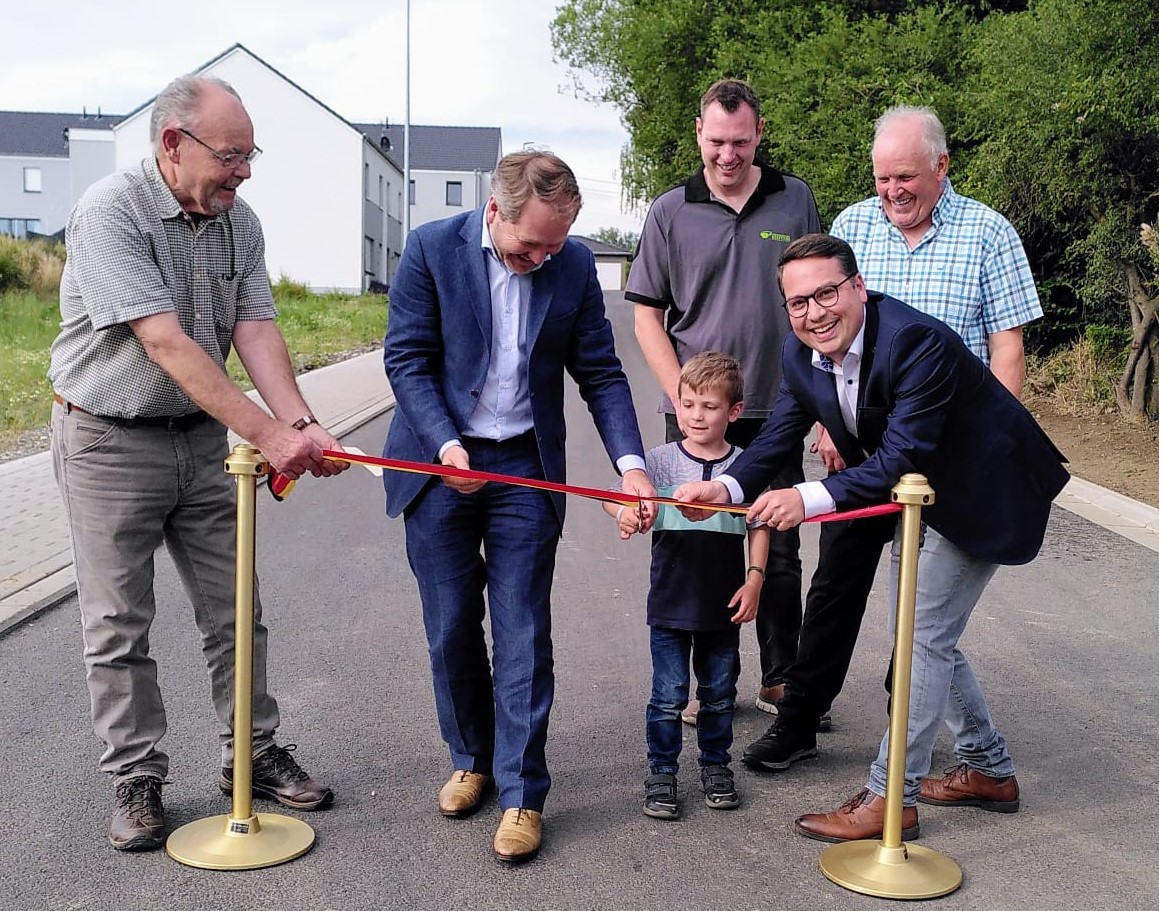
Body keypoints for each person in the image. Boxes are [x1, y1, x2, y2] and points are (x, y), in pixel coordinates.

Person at [675, 234, 1068, 842]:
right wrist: (724, 490)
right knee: (927, 635)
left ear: (858, 287)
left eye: (826, 293)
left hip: (985, 491)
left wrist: (801, 500)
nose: (814, 313)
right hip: (919, 492)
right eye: (798, 303)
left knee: (921, 640)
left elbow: (901, 455)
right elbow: (777, 438)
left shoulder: (915, 340)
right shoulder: (798, 353)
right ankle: (989, 770)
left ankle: (892, 799)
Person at [49, 75, 346, 852]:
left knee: (233, 609)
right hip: (108, 439)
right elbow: (167, 342)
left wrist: (303, 423)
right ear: (173, 144)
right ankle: (136, 774)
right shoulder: (109, 212)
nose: (243, 172)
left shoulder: (237, 223)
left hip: (203, 441)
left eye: (251, 156)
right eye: (231, 156)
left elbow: (254, 327)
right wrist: (270, 435)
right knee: (118, 621)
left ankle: (250, 749)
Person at [742, 104, 1045, 775]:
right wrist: (827, 420)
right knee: (834, 589)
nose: (892, 190)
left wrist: (986, 451)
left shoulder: (988, 234)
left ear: (941, 166)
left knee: (919, 626)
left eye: (905, 175)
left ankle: (911, 756)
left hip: (944, 458)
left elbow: (1007, 348)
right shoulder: (850, 227)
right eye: (882, 177)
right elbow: (825, 338)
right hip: (860, 456)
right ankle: (797, 720)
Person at [382, 150, 656, 864]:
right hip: (439, 460)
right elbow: (406, 358)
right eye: (530, 243)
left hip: (524, 466)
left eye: (556, 243)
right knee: (449, 628)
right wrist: (444, 444)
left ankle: (522, 794)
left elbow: (599, 370)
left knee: (523, 630)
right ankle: (471, 758)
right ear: (493, 211)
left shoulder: (566, 268)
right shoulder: (429, 249)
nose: (542, 257)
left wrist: (630, 465)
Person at [626, 78, 822, 725]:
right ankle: (700, 681)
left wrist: (821, 407)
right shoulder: (669, 211)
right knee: (697, 546)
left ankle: (779, 679)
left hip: (775, 406)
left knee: (779, 544)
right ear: (697, 133)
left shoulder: (794, 200)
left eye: (739, 142)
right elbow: (647, 318)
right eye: (716, 141)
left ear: (758, 134)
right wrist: (685, 397)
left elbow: (817, 305)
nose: (727, 155)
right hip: (697, 418)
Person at [604, 352, 769, 820]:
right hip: (670, 603)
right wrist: (625, 513)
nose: (697, 416)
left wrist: (755, 579)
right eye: (688, 404)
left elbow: (759, 526)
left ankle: (716, 765)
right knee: (670, 694)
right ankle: (662, 771)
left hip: (724, 603)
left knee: (718, 693)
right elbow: (615, 498)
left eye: (709, 406)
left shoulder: (745, 468)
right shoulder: (657, 463)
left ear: (733, 412)